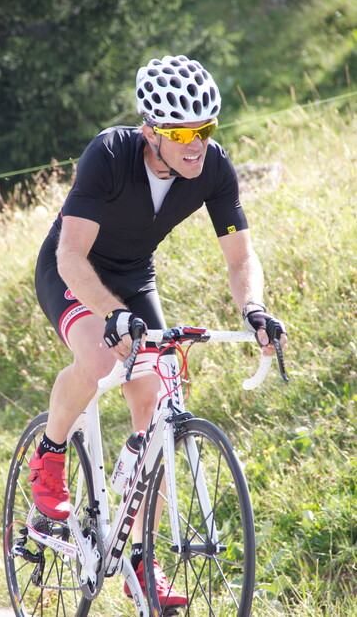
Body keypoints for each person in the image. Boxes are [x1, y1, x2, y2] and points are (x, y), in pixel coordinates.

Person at [30, 54, 287, 606]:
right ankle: (49, 456)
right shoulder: (109, 154)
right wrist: (110, 314)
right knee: (100, 360)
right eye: (182, 132)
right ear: (152, 132)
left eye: (206, 128)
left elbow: (240, 258)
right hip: (73, 270)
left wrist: (255, 310)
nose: (197, 143)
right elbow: (71, 254)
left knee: (160, 398)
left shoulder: (213, 167)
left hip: (134, 276)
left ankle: (139, 558)